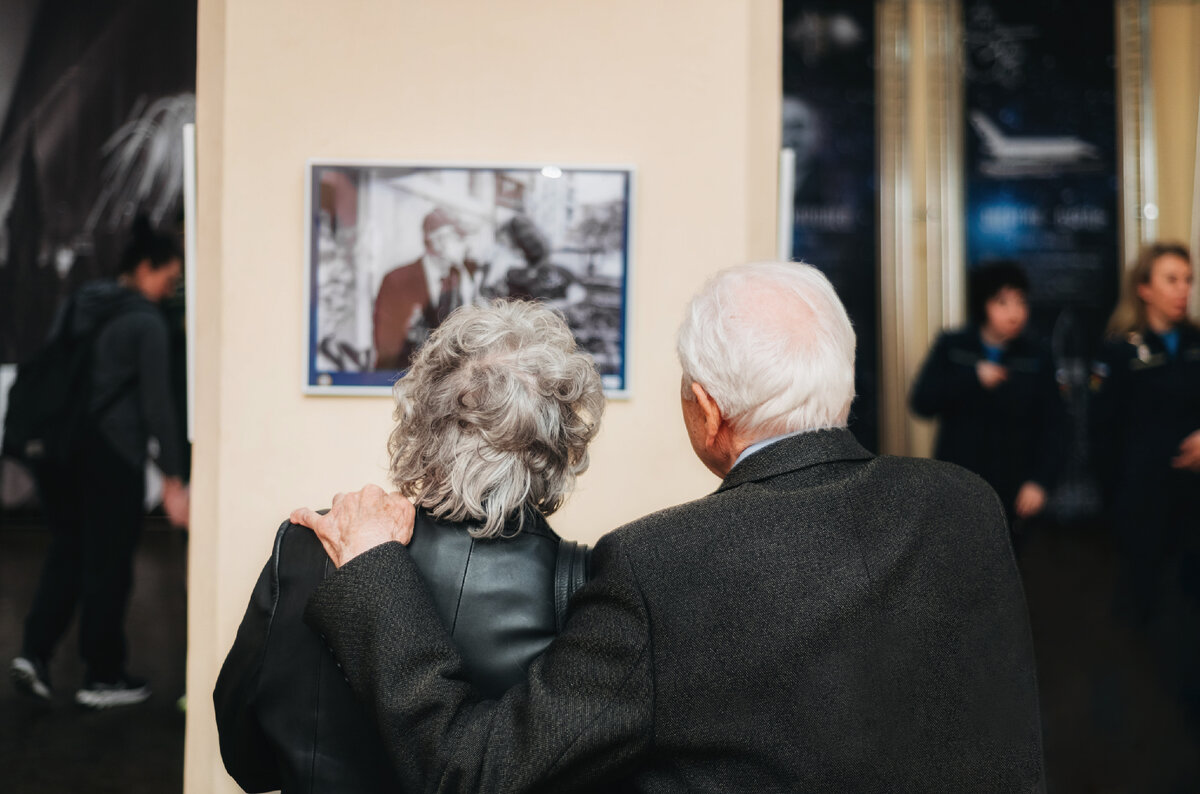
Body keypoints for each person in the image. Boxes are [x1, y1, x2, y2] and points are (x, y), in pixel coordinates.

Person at [294, 261, 1045, 791]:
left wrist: (372, 575)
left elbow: (474, 770)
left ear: (707, 409)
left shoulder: (659, 566)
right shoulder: (964, 507)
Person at [213, 300, 603, 793]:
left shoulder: (311, 545)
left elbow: (245, 756)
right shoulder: (583, 588)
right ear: (559, 445)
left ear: (421, 420)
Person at [10, 218, 189, 709]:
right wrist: (175, 476)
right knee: (108, 566)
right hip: (112, 457)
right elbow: (158, 407)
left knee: (68, 553)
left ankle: (34, 653)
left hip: (61, 453)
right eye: (169, 279)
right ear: (147, 269)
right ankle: (102, 676)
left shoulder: (82, 302)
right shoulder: (146, 322)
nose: (170, 290)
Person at [1091, 242, 1200, 622]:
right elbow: (1101, 434)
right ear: (1144, 288)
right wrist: (1115, 502)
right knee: (1150, 612)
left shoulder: (1196, 341)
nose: (1183, 289)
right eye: (1171, 280)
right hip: (1143, 503)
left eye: (1188, 280)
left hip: (1195, 501)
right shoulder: (1119, 352)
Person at [910, 261, 1064, 527]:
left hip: (1016, 486)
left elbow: (1056, 425)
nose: (1015, 313)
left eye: (1021, 302)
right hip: (959, 482)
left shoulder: (1036, 355)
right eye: (1002, 303)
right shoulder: (953, 346)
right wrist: (972, 379)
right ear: (983, 304)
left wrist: (1040, 481)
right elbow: (922, 402)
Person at [372, 206, 478, 371]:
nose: (467, 246)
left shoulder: (459, 279)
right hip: (401, 379)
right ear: (436, 241)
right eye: (459, 238)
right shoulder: (397, 280)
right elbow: (387, 345)